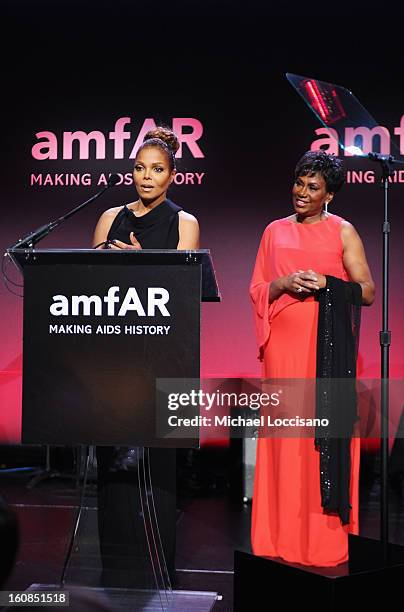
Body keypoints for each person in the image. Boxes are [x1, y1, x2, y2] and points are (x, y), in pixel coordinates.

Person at [249, 150, 375, 567]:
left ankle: (324, 542)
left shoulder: (343, 232)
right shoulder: (273, 231)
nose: (302, 193)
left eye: (313, 187)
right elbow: (257, 289)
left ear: (330, 195)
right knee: (287, 441)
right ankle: (278, 536)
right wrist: (284, 282)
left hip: (328, 352)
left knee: (320, 440)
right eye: (299, 183)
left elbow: (367, 291)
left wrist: (327, 283)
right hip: (283, 353)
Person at [92, 126, 199, 586]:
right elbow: (86, 286)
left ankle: (157, 577)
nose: (146, 177)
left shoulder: (185, 222)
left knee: (155, 471)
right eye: (139, 168)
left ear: (173, 175)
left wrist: (142, 262)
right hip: (113, 358)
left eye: (157, 170)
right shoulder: (109, 216)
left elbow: (183, 291)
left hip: (161, 360)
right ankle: (115, 570)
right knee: (114, 466)